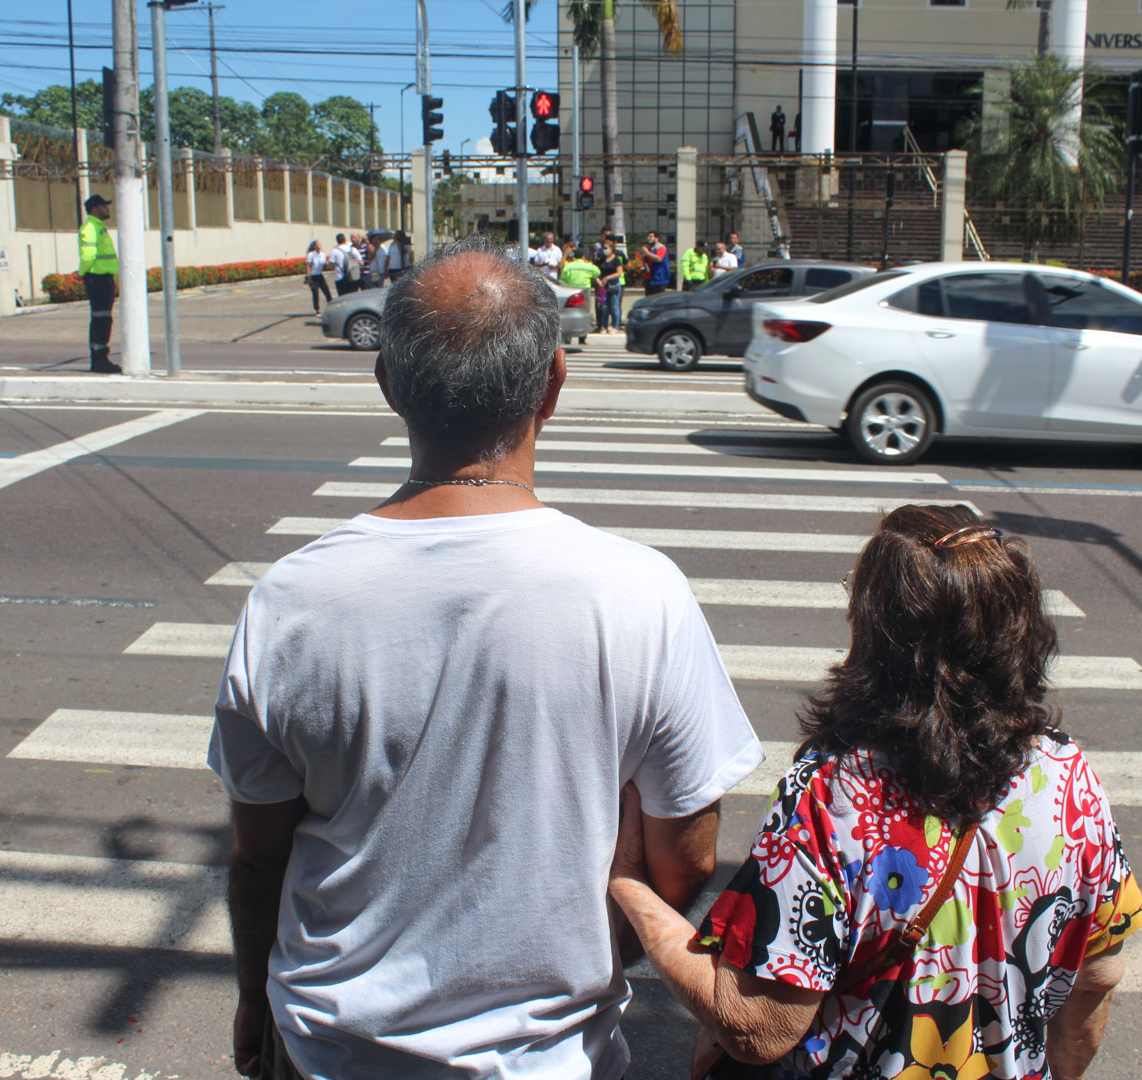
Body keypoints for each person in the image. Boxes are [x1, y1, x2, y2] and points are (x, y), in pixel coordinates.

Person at [210, 235, 763, 1080]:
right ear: (554, 383)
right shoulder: (641, 592)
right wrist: (588, 943)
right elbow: (682, 860)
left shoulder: (289, 599)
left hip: (327, 1051)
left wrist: (255, 996)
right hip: (552, 1059)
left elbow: (259, 854)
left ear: (388, 384)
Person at [609, 503, 1142, 1080]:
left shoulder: (830, 799)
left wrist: (632, 888)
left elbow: (758, 1025)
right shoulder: (1068, 776)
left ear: (876, 628)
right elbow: (1098, 975)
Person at [77, 194, 121, 374]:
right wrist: (82, 273)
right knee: (100, 319)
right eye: (104, 205)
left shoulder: (99, 227)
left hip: (104, 278)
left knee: (104, 319)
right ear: (94, 208)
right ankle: (99, 360)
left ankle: (101, 358)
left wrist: (116, 281)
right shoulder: (90, 228)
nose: (107, 209)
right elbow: (88, 255)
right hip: (97, 278)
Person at [596, 237, 624, 333]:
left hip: (613, 285)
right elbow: (596, 272)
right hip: (603, 286)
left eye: (606, 248)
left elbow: (619, 273)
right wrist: (599, 281)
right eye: (603, 248)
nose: (605, 250)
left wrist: (608, 278)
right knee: (604, 307)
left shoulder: (616, 260)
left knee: (614, 306)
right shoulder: (601, 260)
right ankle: (604, 326)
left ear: (612, 249)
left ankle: (615, 326)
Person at [303, 240, 332, 315]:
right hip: (313, 276)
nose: (319, 245)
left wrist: (329, 265)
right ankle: (317, 309)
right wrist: (309, 277)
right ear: (314, 246)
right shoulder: (311, 254)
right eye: (317, 244)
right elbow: (308, 266)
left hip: (320, 275)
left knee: (326, 291)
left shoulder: (322, 254)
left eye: (319, 244)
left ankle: (331, 306)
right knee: (315, 293)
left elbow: (325, 265)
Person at [641, 230, 671, 295]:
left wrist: (647, 253)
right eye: (648, 237)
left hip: (659, 278)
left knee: (658, 297)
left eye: (651, 236)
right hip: (649, 278)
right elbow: (645, 263)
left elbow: (659, 259)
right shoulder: (649, 249)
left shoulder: (660, 247)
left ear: (657, 238)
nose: (649, 238)